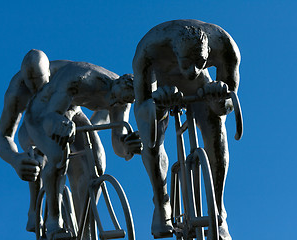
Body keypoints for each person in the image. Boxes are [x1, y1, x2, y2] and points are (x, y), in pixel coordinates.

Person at [132, 19, 241, 239]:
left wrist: (219, 97)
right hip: (161, 86)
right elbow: (142, 106)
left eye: (200, 62)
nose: (192, 70)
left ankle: (218, 212)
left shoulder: (225, 46)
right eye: (186, 63)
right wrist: (157, 104)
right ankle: (161, 202)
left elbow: (228, 104)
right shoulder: (150, 48)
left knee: (216, 127)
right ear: (174, 52)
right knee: (151, 137)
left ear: (209, 52)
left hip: (202, 88)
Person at [23, 60, 141, 240]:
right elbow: (52, 117)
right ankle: (54, 221)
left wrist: (128, 145)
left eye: (121, 101)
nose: (115, 103)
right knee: (57, 155)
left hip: (72, 110)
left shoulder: (124, 97)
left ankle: (85, 228)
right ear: (115, 85)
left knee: (98, 158)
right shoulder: (80, 79)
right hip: (43, 113)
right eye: (115, 97)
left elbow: (118, 142)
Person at [0, 49, 74, 232]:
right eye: (32, 86)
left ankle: (88, 210)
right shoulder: (17, 91)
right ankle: (35, 209)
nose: (37, 91)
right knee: (36, 158)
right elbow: (3, 136)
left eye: (41, 84)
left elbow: (107, 94)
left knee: (95, 155)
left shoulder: (66, 73)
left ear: (49, 74)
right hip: (33, 124)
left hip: (68, 116)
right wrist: (15, 159)